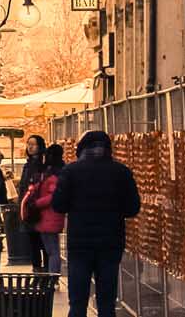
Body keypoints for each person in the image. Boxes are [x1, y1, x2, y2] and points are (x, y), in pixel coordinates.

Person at [50, 131, 140, 317]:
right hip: (111, 242)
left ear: (82, 148)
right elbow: (133, 208)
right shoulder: (121, 172)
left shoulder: (71, 171)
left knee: (78, 300)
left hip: (79, 243)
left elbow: (58, 205)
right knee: (107, 299)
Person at [21, 144, 64, 276]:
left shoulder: (53, 175)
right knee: (50, 249)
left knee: (52, 251)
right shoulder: (50, 173)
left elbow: (52, 195)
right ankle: (50, 276)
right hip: (47, 217)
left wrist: (36, 203)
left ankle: (52, 278)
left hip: (49, 217)